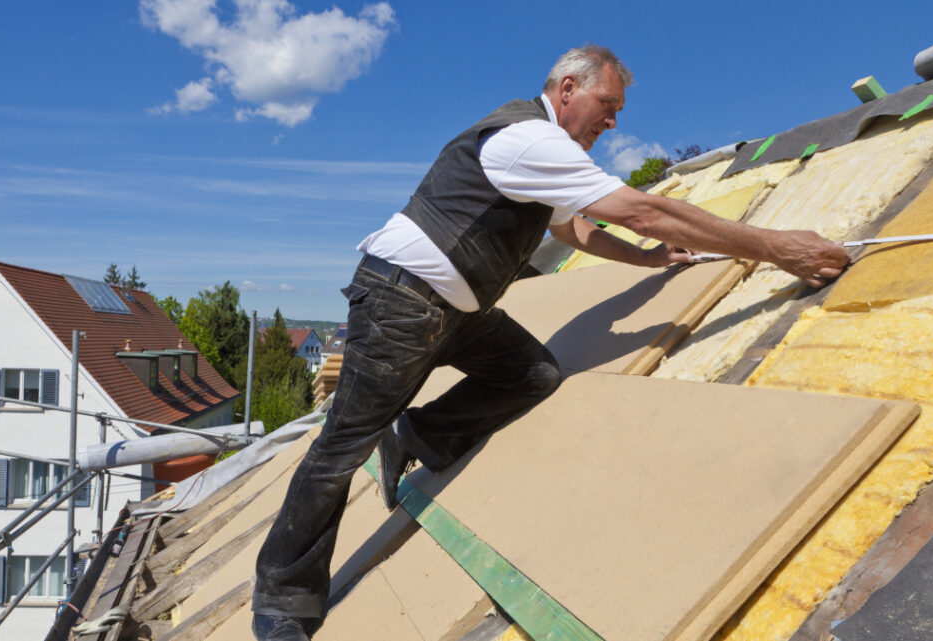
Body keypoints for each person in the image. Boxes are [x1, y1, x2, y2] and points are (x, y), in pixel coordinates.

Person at [251, 45, 849, 641]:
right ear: (567, 89)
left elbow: (577, 228)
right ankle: (284, 603)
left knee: (533, 374)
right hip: (400, 302)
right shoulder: (529, 139)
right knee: (339, 451)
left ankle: (417, 432)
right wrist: (776, 248)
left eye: (617, 111)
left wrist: (645, 261)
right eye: (606, 104)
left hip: (457, 312)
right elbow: (641, 209)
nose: (612, 121)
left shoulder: (546, 159)